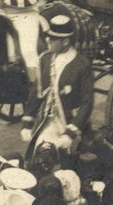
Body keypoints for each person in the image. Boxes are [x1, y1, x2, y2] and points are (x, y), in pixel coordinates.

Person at [22, 14, 93, 158]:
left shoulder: (82, 64)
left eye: (53, 38)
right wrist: (27, 122)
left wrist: (70, 133)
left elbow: (87, 103)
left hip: (70, 122)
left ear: (65, 41)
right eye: (49, 37)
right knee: (40, 155)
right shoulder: (45, 59)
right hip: (46, 121)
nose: (48, 41)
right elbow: (36, 92)